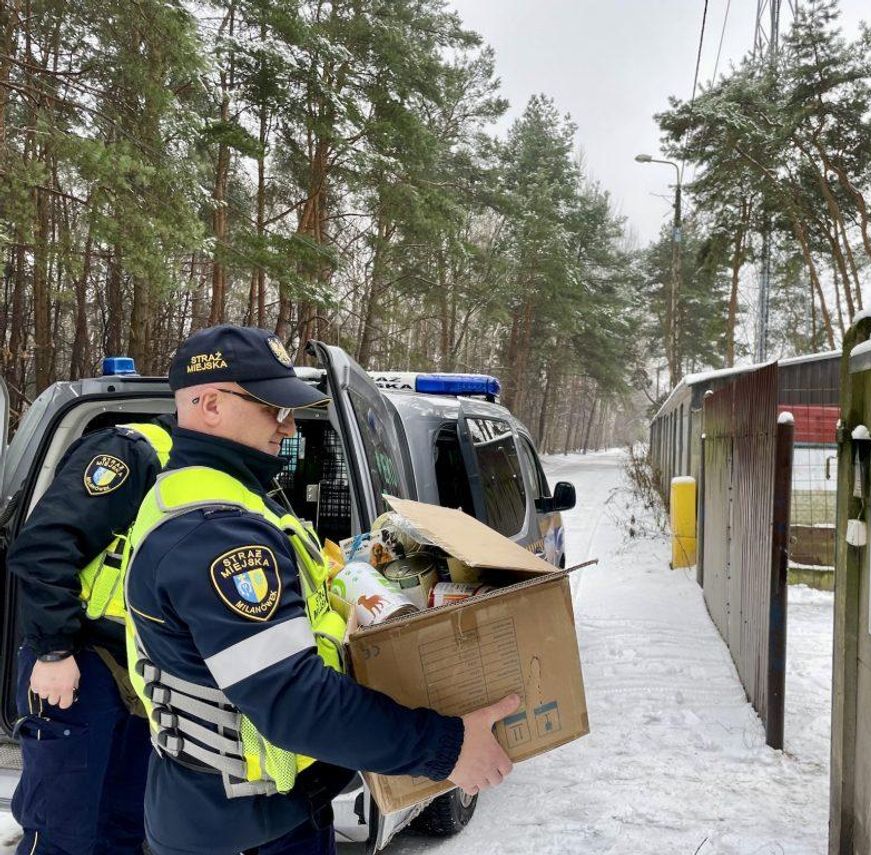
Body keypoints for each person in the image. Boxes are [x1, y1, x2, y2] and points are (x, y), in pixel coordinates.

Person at [123, 325, 517, 855]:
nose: (288, 427)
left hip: (260, 810)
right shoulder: (216, 535)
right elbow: (294, 704)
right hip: (237, 826)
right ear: (210, 404)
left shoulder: (231, 499)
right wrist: (446, 748)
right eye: (273, 409)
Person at [8, 408, 175, 855]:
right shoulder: (132, 452)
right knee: (63, 831)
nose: (283, 426)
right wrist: (53, 651)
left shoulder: (212, 478)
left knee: (124, 825)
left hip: (144, 671)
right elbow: (43, 548)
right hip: (81, 664)